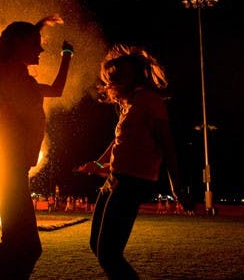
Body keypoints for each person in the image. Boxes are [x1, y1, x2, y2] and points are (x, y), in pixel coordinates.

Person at [75, 44, 190, 279]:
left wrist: (176, 184)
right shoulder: (130, 103)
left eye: (113, 79)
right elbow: (120, 140)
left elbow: (167, 144)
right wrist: (98, 164)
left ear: (129, 78)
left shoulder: (150, 101)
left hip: (131, 182)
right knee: (97, 246)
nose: (109, 85)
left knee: (109, 254)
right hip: (115, 179)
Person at [0, 15, 73, 279]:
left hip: (11, 167)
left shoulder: (17, 76)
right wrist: (4, 145)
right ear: (18, 44)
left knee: (21, 245)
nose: (41, 49)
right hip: (8, 167)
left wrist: (67, 56)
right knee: (25, 246)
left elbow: (56, 90)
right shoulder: (8, 74)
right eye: (35, 43)